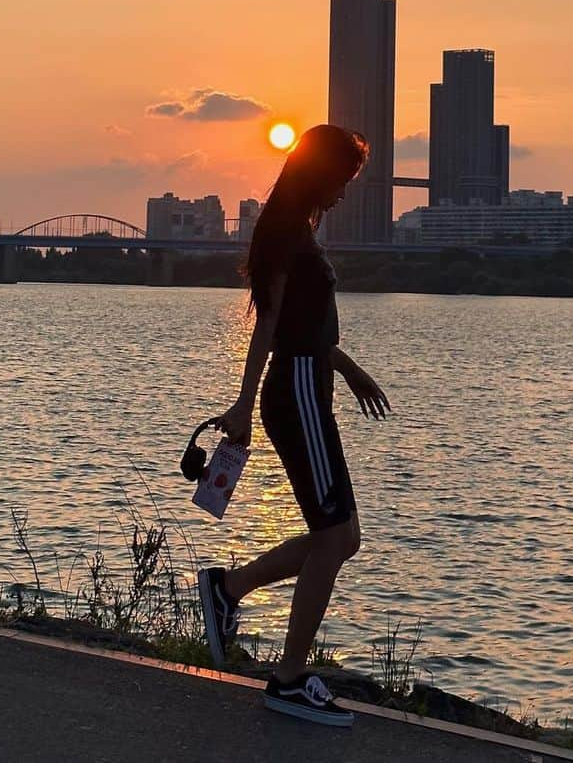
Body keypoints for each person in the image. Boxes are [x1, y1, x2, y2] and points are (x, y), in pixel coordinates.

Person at [197, 124, 392, 727]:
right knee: (335, 537)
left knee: (343, 536)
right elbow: (271, 326)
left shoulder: (297, 229)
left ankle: (227, 591)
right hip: (298, 392)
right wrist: (242, 405)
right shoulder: (286, 233)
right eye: (341, 179)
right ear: (318, 172)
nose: (343, 193)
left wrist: (350, 367)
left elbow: (305, 329)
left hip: (311, 385)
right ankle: (287, 679)